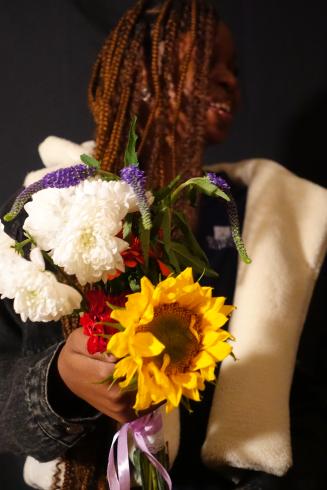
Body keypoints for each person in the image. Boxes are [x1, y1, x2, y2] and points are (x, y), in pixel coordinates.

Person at [0, 1, 326, 489]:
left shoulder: (277, 218)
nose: (230, 81)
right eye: (205, 63)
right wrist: (58, 383)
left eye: (233, 69)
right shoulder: (49, 211)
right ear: (141, 75)